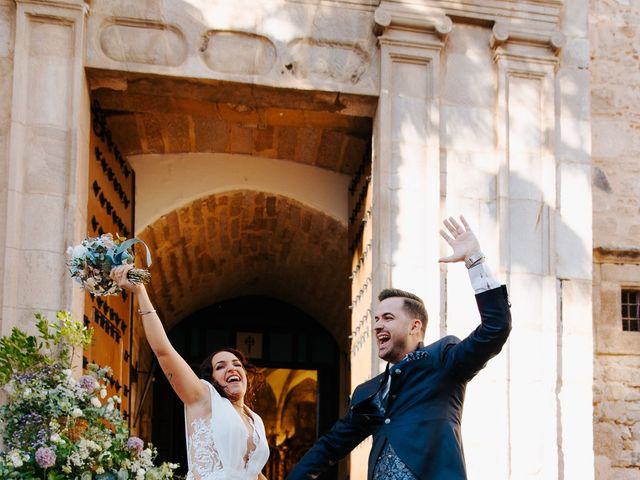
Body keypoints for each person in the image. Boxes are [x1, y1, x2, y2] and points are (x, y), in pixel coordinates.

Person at [286, 216, 512, 480]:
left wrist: (474, 259)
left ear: (415, 326)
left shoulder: (442, 361)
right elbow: (330, 445)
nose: (378, 326)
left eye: (388, 318)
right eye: (376, 319)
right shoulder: (367, 392)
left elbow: (496, 328)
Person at [111, 267, 270, 480]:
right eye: (220, 366)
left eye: (236, 364)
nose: (231, 368)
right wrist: (140, 291)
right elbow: (163, 351)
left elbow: (254, 473)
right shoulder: (204, 398)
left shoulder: (255, 420)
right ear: (212, 379)